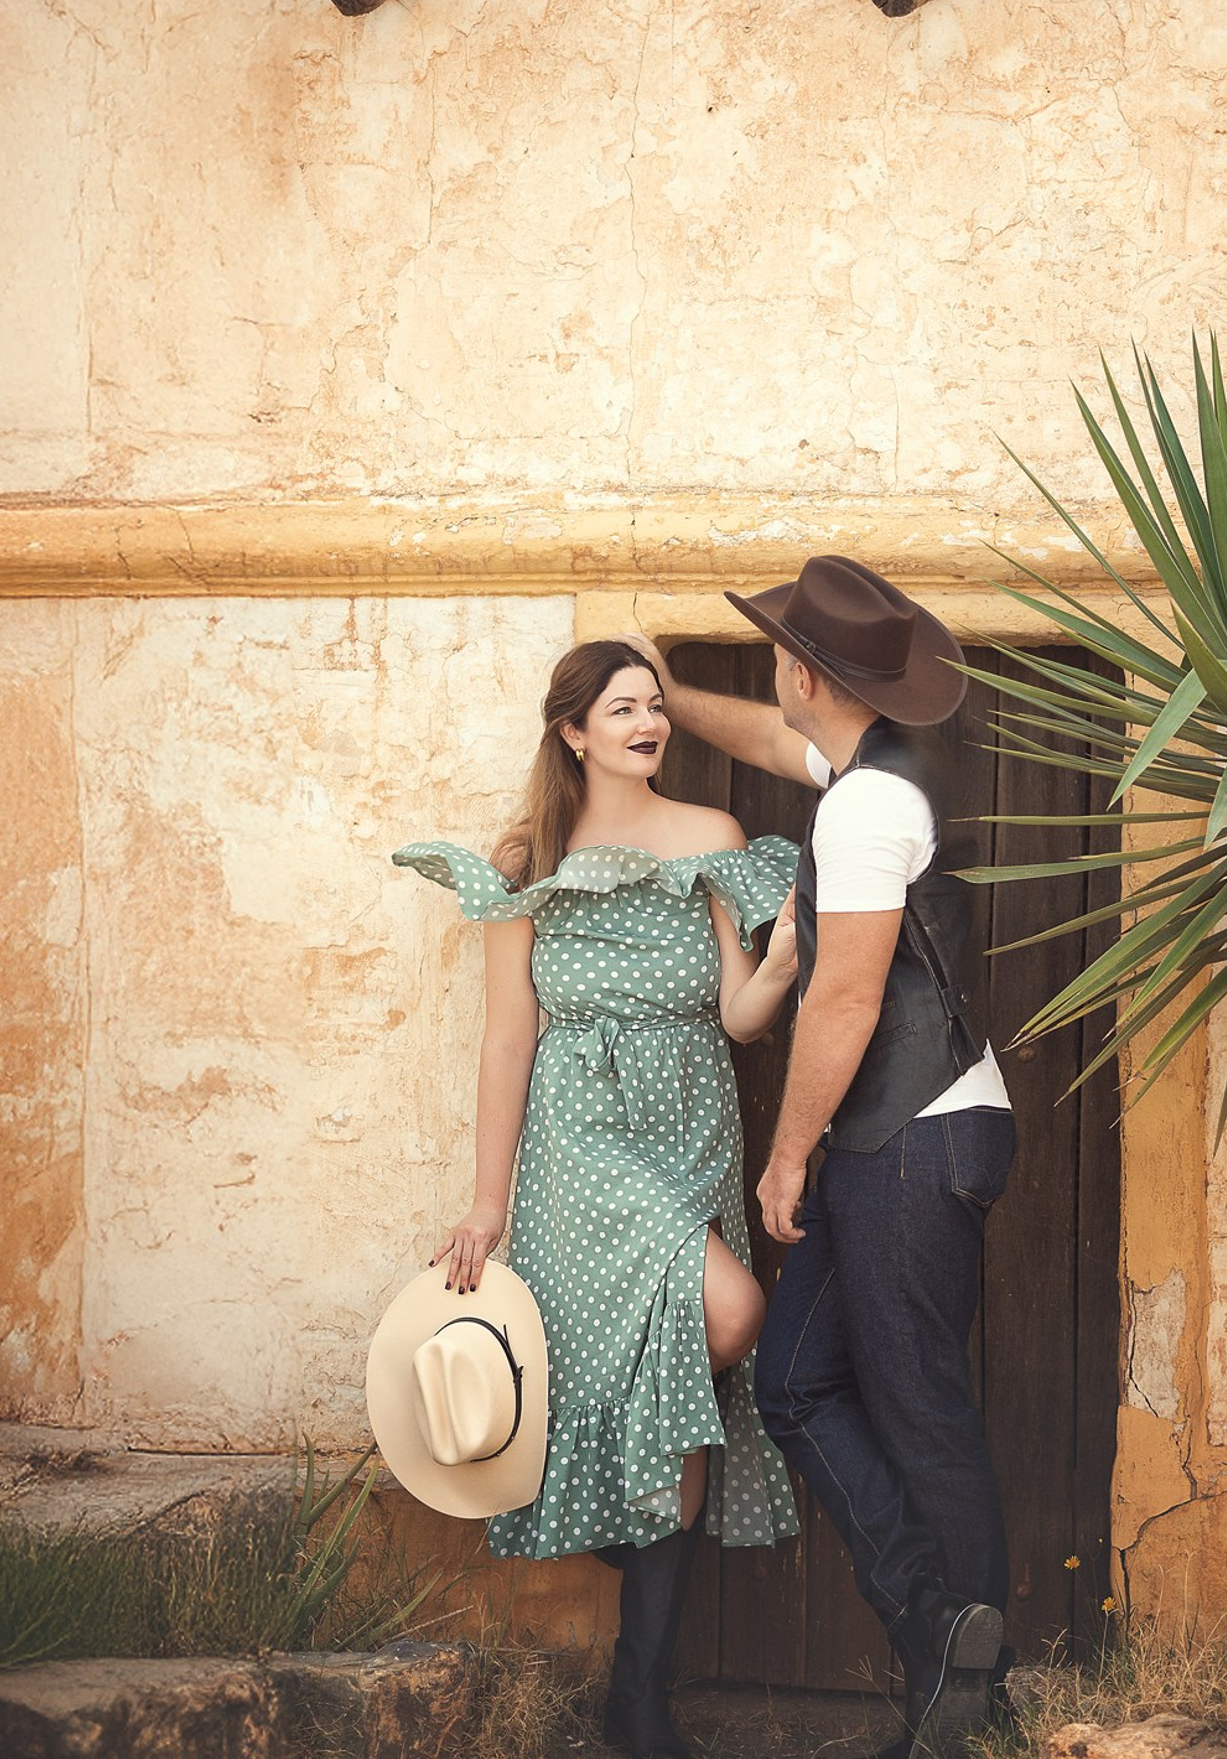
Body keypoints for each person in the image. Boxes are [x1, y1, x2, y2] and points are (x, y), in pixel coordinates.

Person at [627, 556, 1016, 1759]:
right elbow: (761, 738)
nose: (776, 674)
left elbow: (842, 999)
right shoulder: (865, 763)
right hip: (911, 1130)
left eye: (781, 657)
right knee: (794, 1383)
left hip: (908, 1134)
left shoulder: (864, 808)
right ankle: (934, 1628)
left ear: (809, 670)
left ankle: (972, 1706)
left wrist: (785, 1155)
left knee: (920, 1409)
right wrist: (668, 686)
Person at [392, 639, 801, 1759]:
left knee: (684, 1367)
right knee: (728, 1317)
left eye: (654, 707)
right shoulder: (528, 859)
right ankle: (620, 1561)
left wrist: (784, 963)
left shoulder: (711, 838)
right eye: (623, 709)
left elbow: (738, 1015)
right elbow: (507, 1036)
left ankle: (639, 1697)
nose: (647, 724)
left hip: (691, 1121)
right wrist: (487, 1206)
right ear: (574, 730)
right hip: (581, 1139)